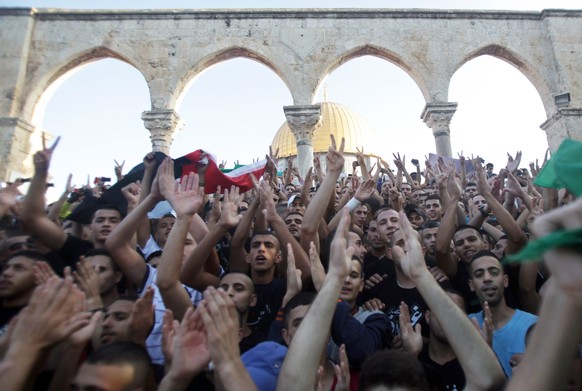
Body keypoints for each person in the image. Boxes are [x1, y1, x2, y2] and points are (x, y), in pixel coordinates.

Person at [468, 250, 537, 378]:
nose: (487, 279)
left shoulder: (533, 325)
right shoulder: (467, 325)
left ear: (505, 281)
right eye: (479, 274)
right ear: (471, 285)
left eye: (494, 272)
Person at [0, 250, 46, 335]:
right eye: (5, 268)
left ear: (39, 276)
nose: (6, 273)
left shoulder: (41, 319)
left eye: (19, 268)